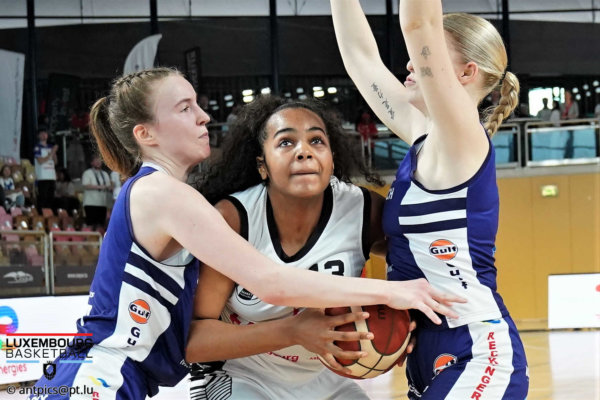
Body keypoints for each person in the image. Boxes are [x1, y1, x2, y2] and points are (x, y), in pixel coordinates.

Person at [29, 67, 463, 400]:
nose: (203, 116)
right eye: (185, 108)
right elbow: (270, 281)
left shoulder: (165, 193)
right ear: (145, 134)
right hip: (101, 372)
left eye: (197, 105)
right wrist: (393, 292)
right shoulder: (162, 193)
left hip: (110, 373)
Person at [331, 1, 528, 399]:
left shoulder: (462, 138)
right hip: (426, 354)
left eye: (425, 54)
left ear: (466, 73)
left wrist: (424, 30)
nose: (409, 64)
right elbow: (360, 58)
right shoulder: (426, 138)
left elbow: (418, 20)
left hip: (475, 351)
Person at [187, 96, 398, 399]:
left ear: (332, 159)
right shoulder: (234, 218)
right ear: (262, 165)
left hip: (325, 377)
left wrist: (406, 327)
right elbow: (194, 341)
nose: (304, 151)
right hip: (242, 373)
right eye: (286, 142)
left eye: (316, 140)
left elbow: (416, 264)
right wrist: (294, 330)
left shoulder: (363, 210)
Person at [81, 155, 112, 229]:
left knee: (101, 224)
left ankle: (99, 236)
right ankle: (89, 236)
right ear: (91, 163)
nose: (98, 162)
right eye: (96, 160)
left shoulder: (105, 174)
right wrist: (100, 187)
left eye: (100, 160)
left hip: (102, 203)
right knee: (90, 224)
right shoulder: (87, 173)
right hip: (90, 203)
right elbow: (86, 185)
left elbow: (109, 186)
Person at [33, 126, 58, 210]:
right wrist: (52, 152)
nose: (44, 135)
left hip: (51, 176)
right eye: (42, 133)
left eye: (45, 133)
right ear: (38, 136)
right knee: (43, 198)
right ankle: (41, 213)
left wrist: (53, 153)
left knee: (51, 198)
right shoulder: (37, 147)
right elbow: (40, 161)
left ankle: (49, 213)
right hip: (42, 177)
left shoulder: (50, 147)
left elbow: (55, 162)